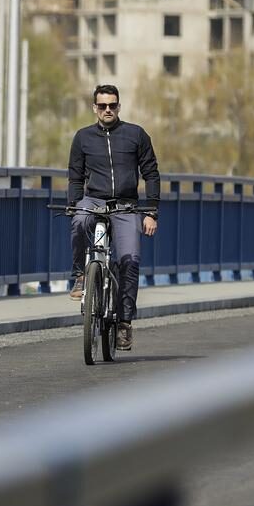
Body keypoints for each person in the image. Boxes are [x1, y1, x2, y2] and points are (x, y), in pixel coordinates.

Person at [65, 84, 160, 351]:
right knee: (79, 220)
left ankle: (124, 323)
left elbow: (151, 174)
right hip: (93, 200)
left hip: (126, 205)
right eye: (103, 105)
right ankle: (80, 275)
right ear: (94, 107)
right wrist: (74, 205)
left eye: (113, 105)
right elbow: (75, 176)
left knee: (129, 259)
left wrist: (151, 212)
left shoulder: (136, 135)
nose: (108, 110)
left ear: (119, 106)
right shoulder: (83, 137)